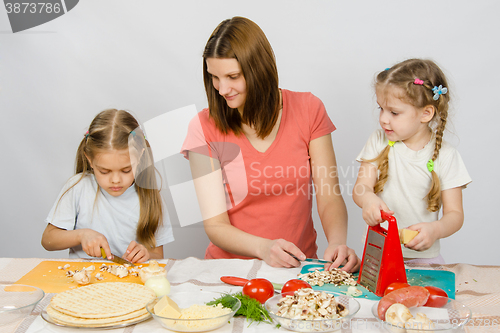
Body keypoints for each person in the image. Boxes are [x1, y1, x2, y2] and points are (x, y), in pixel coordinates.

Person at [181, 16, 359, 271]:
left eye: (233, 76)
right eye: (214, 77)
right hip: (229, 270)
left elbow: (329, 196)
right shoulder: (202, 127)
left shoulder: (309, 110)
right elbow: (216, 226)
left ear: (259, 69)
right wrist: (263, 248)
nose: (222, 89)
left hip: (298, 267)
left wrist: (338, 243)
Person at [353, 59, 471, 264]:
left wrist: (436, 230)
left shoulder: (446, 155)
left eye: (394, 112)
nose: (383, 119)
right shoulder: (378, 141)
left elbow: (455, 214)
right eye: (381, 108)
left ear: (426, 113)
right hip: (377, 253)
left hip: (423, 259)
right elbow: (360, 188)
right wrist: (368, 200)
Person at [42, 109, 174, 263]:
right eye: (104, 171)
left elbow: (158, 256)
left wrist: (146, 255)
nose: (116, 180)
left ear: (139, 158)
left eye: (126, 170)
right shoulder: (78, 187)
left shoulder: (151, 198)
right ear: (90, 160)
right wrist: (81, 235)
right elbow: (48, 240)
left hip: (129, 284)